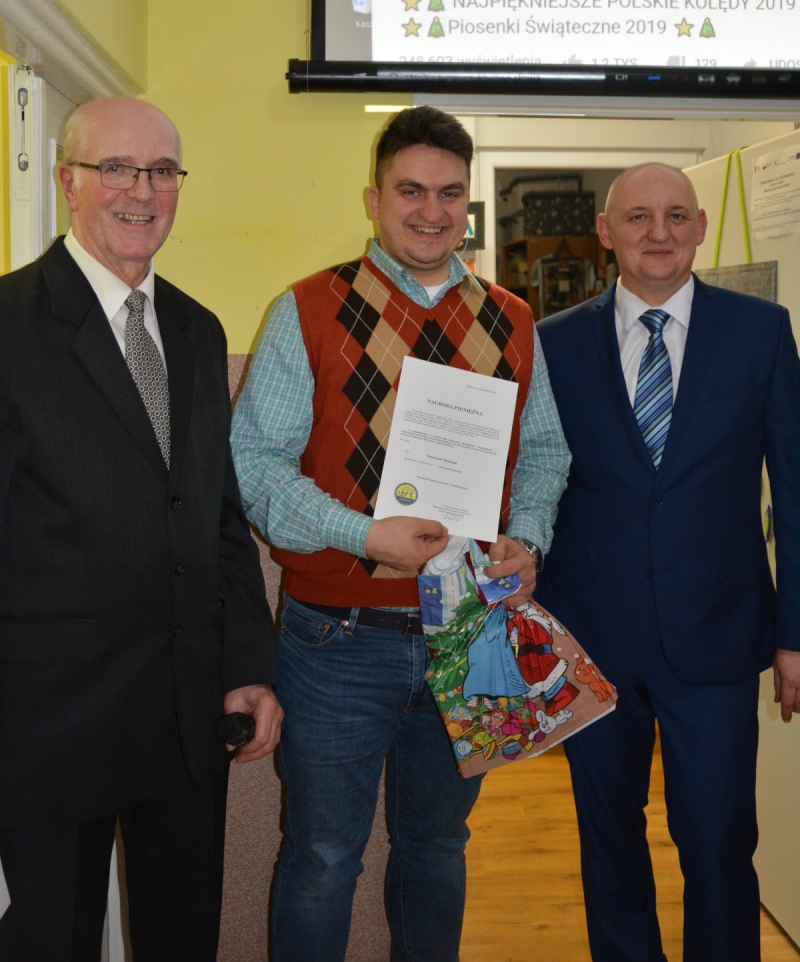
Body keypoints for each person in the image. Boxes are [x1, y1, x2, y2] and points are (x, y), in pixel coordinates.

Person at [231, 104, 570, 962]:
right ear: (374, 199)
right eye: (410, 190)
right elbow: (255, 465)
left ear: (468, 205)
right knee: (322, 859)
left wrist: (527, 537)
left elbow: (543, 452)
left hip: (470, 629)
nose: (431, 210)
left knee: (439, 848)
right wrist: (363, 535)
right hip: (337, 638)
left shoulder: (512, 318)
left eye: (450, 193)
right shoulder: (305, 308)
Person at [0, 97, 282, 962]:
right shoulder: (8, 324)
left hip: (186, 720)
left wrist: (247, 667)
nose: (142, 191)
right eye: (115, 168)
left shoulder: (196, 329)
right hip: (48, 724)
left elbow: (218, 515)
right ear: (67, 181)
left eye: (162, 171)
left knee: (183, 939)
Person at [536, 162, 800, 962]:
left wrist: (795, 635)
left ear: (700, 228)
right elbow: (533, 481)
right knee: (609, 842)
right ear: (606, 231)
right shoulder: (552, 343)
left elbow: (794, 490)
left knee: (719, 840)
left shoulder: (761, 331)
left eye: (677, 216)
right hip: (591, 640)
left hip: (719, 636)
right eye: (639, 217)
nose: (659, 233)